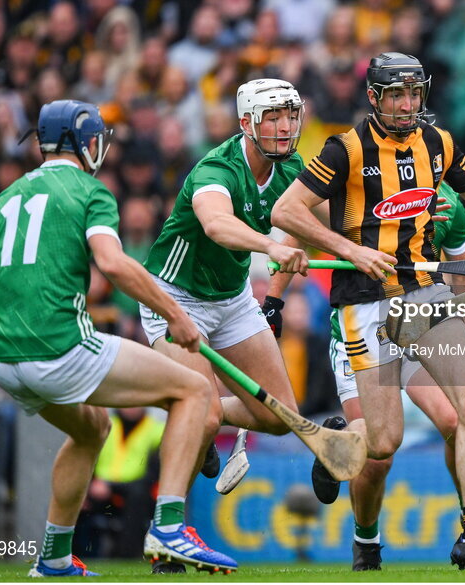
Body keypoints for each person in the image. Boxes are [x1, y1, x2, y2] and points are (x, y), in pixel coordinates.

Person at [272, 53, 465, 571]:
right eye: (396, 94)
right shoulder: (344, 149)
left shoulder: (438, 145)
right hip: (363, 304)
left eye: (415, 94)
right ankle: (339, 449)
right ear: (373, 98)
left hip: (424, 298)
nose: (408, 104)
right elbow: (286, 212)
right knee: (384, 444)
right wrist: (348, 253)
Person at [0, 100, 237, 576]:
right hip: (63, 348)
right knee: (194, 390)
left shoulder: (3, 200)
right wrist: (175, 314)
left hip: (4, 362)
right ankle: (168, 527)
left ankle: (54, 557)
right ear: (84, 141)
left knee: (91, 429)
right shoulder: (90, 190)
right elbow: (111, 263)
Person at [138, 78, 311, 571]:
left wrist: (276, 295)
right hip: (174, 298)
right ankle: (165, 536)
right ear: (245, 124)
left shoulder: (292, 169)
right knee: (204, 414)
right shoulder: (216, 168)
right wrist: (272, 246)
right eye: (271, 117)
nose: (283, 126)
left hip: (232, 299)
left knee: (279, 417)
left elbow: (310, 229)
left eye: (290, 115)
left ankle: (200, 413)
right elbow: (217, 224)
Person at [304, 182, 465, 570]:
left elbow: (463, 273)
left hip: (416, 325)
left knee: (457, 418)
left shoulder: (450, 203)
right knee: (379, 454)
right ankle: (366, 541)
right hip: (362, 327)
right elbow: (304, 217)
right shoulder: (365, 187)